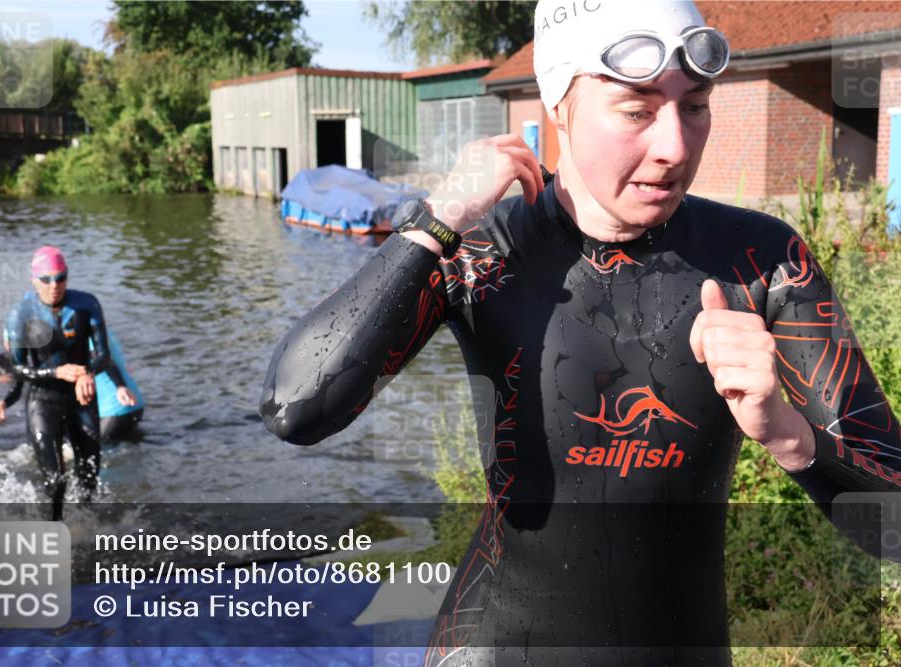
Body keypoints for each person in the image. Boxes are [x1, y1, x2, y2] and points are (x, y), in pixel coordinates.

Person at [260, 1, 900, 664]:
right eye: (636, 109)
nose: (675, 146)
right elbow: (296, 408)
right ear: (557, 103)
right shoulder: (479, 248)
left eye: (696, 105)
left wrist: (788, 433)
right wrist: (435, 221)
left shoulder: (761, 262)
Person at [4, 246, 135, 520]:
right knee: (55, 481)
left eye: (61, 278)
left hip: (82, 399)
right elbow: (16, 368)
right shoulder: (21, 313)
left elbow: (104, 355)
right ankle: (52, 535)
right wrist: (54, 373)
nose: (55, 286)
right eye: (47, 279)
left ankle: (86, 531)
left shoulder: (87, 304)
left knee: (89, 477)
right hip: (43, 400)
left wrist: (87, 372)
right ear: (34, 280)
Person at [0, 329, 144, 442]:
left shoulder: (73, 335)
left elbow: (104, 361)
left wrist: (119, 386)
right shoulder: (100, 329)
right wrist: (3, 404)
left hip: (114, 411)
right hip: (135, 405)